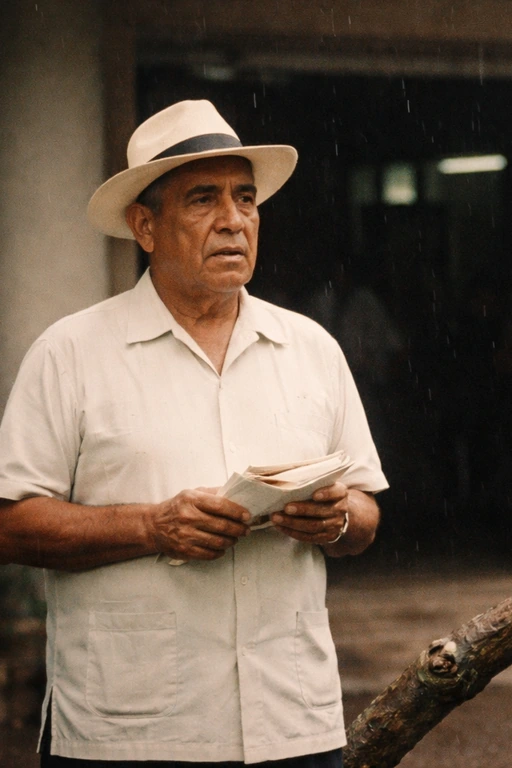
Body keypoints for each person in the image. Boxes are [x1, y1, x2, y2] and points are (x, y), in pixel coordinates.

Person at [0, 100, 388, 767]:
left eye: (246, 199)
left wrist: (335, 519)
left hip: (292, 722)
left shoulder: (310, 348)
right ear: (144, 227)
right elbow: (11, 525)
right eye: (203, 200)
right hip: (131, 731)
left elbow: (366, 515)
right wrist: (153, 526)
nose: (234, 221)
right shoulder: (71, 352)